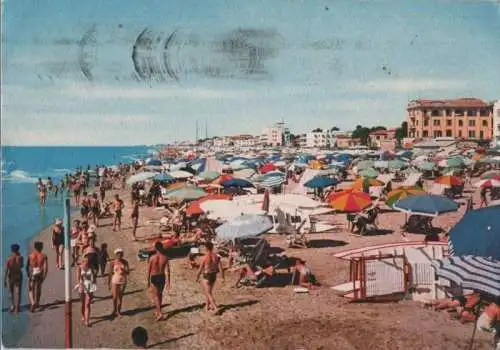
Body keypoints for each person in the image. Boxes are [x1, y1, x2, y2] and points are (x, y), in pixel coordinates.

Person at [196, 242, 224, 313]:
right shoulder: (216, 256)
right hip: (214, 275)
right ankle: (207, 306)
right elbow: (221, 268)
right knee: (209, 291)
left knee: (208, 293)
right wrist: (222, 277)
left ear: (206, 248)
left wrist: (197, 276)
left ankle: (215, 308)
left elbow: (200, 269)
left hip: (207, 275)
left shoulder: (204, 257)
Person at [147, 242, 170, 321]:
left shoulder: (152, 258)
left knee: (155, 296)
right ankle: (157, 311)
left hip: (154, 276)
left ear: (156, 248)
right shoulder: (165, 257)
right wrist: (168, 282)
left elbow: (149, 271)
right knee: (160, 294)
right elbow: (168, 271)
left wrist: (148, 281)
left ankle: (159, 313)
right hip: (162, 276)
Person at [76, 253, 97, 327]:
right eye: (85, 261)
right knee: (82, 303)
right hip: (82, 285)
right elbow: (78, 278)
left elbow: (94, 279)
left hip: (89, 286)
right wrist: (80, 285)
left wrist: (94, 286)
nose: (86, 262)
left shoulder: (91, 267)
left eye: (88, 261)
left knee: (87, 304)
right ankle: (83, 315)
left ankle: (87, 320)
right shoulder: (79, 267)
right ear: (83, 260)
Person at [26, 241, 48, 312]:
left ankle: (32, 302)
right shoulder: (44, 256)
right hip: (39, 273)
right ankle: (37, 302)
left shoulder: (30, 256)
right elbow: (45, 268)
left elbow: (27, 266)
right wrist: (44, 276)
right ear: (41, 247)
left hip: (33, 273)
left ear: (35, 247)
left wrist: (28, 275)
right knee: (38, 288)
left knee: (30, 288)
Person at [108, 248, 130, 318]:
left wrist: (124, 270)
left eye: (121, 254)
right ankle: (114, 310)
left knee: (120, 297)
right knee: (114, 297)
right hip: (114, 280)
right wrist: (109, 283)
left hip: (123, 281)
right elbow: (110, 273)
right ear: (116, 255)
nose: (119, 255)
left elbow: (128, 272)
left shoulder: (125, 262)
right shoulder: (112, 262)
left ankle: (118, 311)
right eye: (118, 254)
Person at [4, 244, 24, 314]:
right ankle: (17, 307)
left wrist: (4, 280)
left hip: (10, 276)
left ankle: (12, 305)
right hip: (18, 275)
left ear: (11, 250)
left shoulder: (8, 258)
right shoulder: (21, 257)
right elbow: (21, 266)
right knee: (18, 292)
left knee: (10, 292)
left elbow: (6, 270)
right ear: (18, 249)